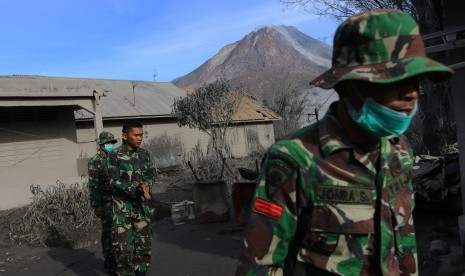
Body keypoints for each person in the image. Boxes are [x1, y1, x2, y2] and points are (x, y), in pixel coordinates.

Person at [236, 9, 453, 276]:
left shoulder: (400, 150)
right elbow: (260, 265)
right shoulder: (294, 160)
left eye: (415, 80)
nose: (411, 93)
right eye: (395, 79)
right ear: (350, 86)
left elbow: (403, 245)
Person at [106, 120, 157, 276]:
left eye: (141, 135)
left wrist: (147, 185)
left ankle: (141, 273)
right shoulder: (114, 156)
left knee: (144, 247)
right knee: (123, 250)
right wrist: (134, 187)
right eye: (136, 135)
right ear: (124, 136)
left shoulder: (144, 154)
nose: (140, 138)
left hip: (141, 208)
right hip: (122, 209)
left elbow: (151, 174)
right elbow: (113, 180)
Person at [88, 131, 118, 273]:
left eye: (112, 143)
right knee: (108, 231)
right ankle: (110, 259)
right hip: (105, 201)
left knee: (118, 230)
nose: (111, 145)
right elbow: (93, 185)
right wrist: (96, 205)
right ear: (101, 145)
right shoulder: (95, 161)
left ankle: (119, 258)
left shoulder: (114, 158)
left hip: (118, 200)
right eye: (108, 143)